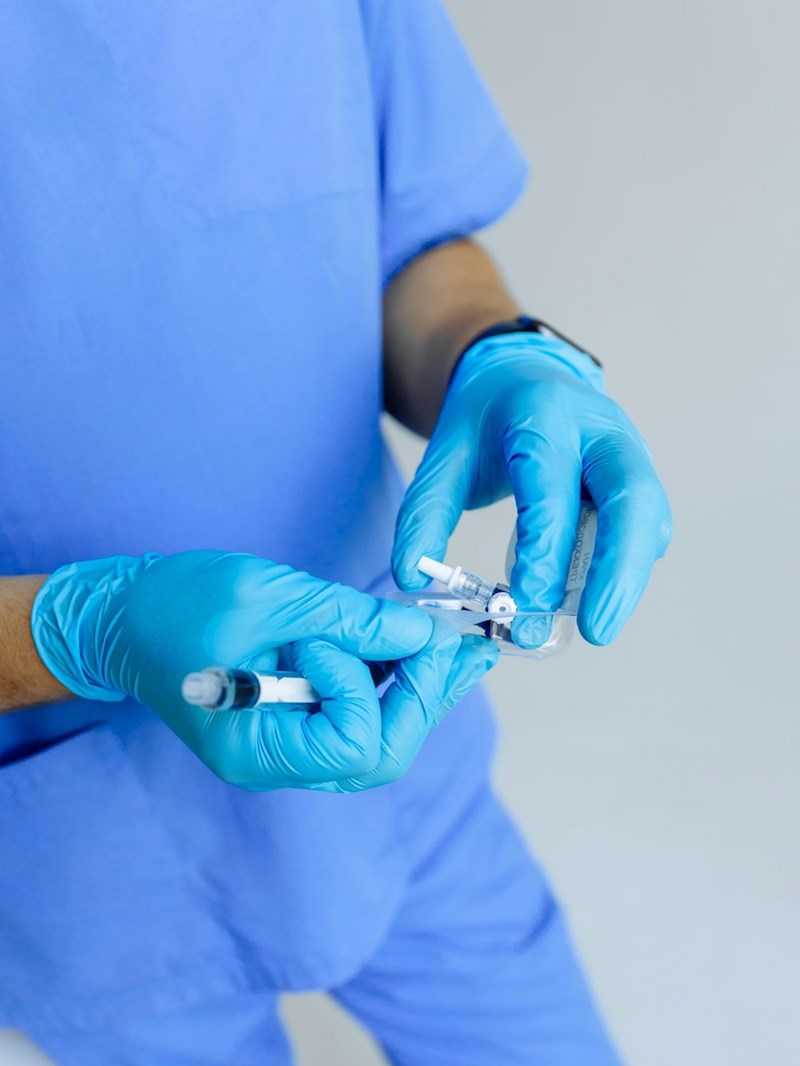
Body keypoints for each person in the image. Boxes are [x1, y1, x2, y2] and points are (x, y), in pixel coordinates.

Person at [0, 2, 671, 1063]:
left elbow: (409, 237)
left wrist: (496, 357)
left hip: (407, 759)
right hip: (95, 848)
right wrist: (84, 629)